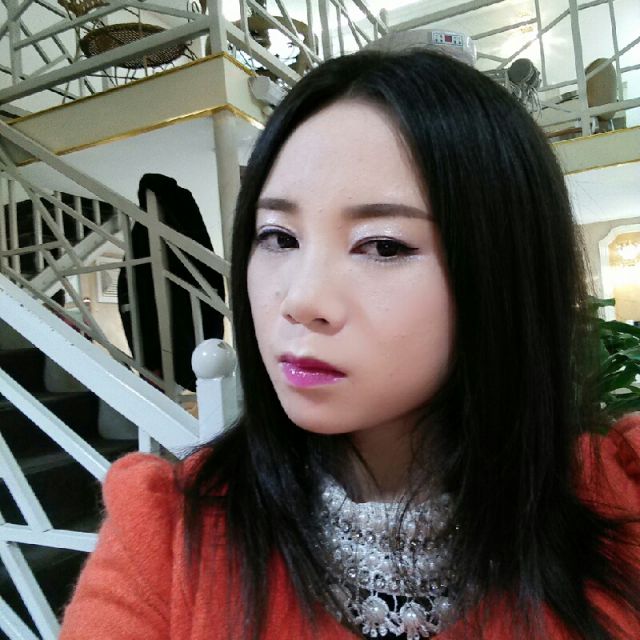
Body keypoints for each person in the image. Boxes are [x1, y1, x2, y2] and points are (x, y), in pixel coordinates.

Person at [59, 49, 639, 640]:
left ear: (506, 271)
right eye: (278, 237)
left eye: (383, 245)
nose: (300, 300)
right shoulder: (166, 534)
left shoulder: (623, 494)